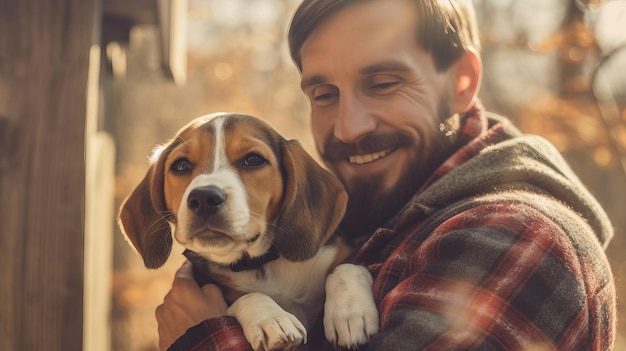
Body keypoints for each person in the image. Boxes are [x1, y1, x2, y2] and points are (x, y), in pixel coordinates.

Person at [155, 0, 616, 350]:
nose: (348, 126)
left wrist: (204, 337)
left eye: (383, 84)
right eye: (324, 93)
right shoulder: (368, 218)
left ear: (460, 82)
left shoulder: (518, 238)